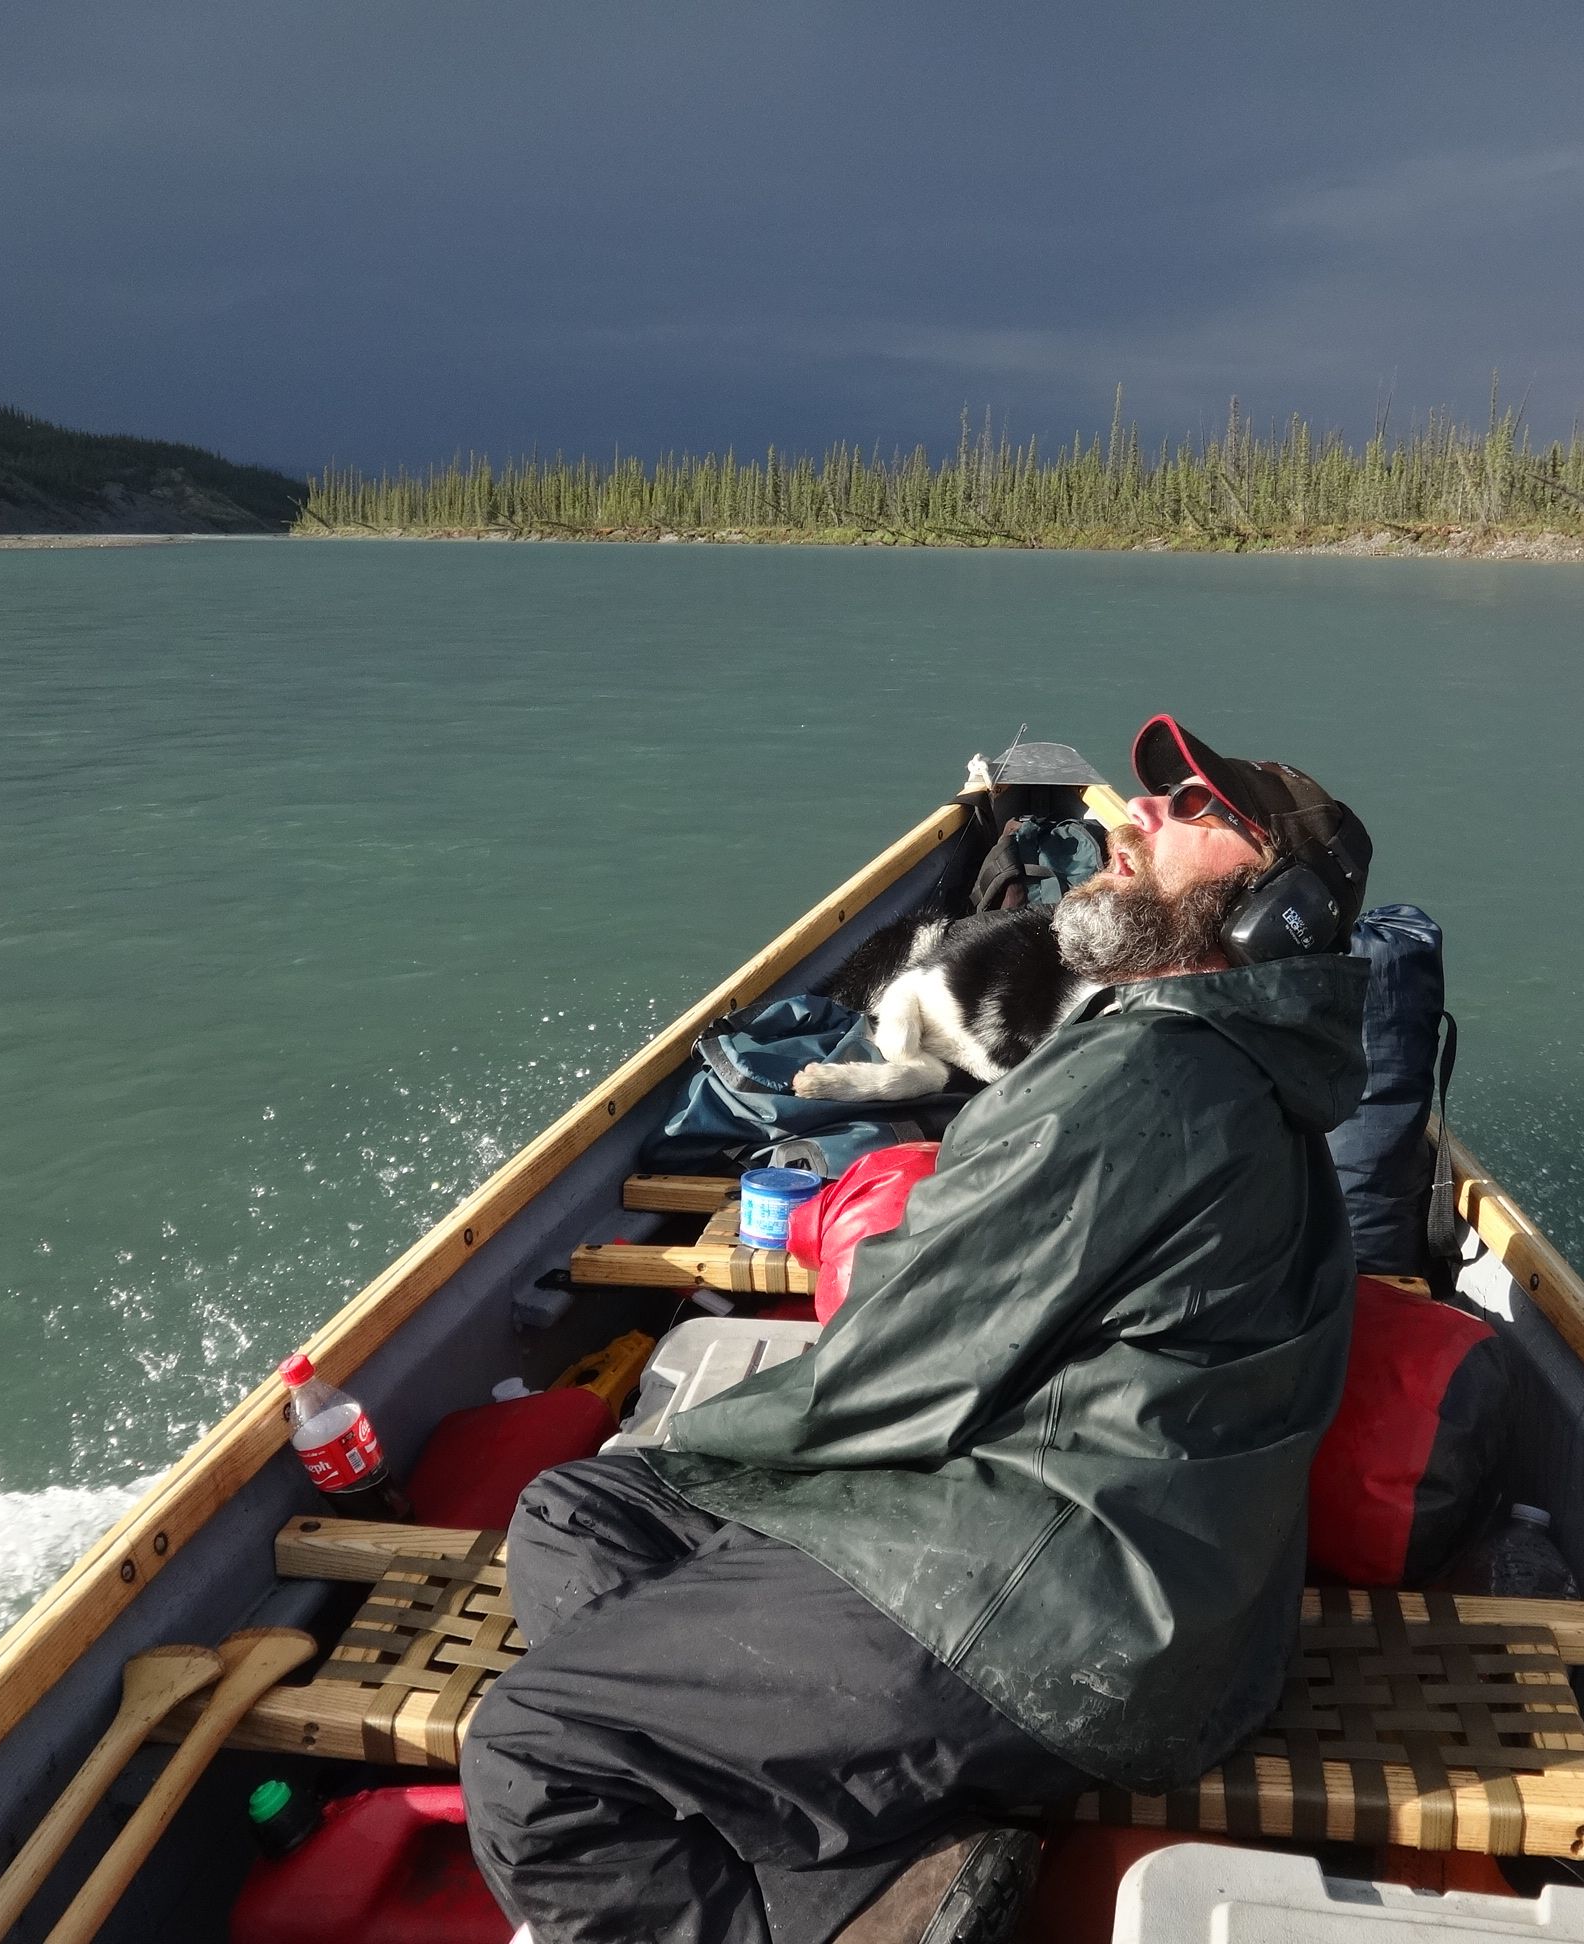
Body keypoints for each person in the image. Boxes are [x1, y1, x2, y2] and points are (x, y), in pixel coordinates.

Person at [462, 717, 1374, 1944]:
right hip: (1146, 1576)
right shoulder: (1235, 1072)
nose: (1129, 817)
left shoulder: (1154, 1077)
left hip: (1059, 1605)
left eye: (1195, 812)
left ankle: (797, 1874)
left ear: (1284, 918)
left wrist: (702, 1447)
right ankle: (861, 1878)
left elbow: (899, 1358)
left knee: (538, 1751)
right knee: (584, 1512)